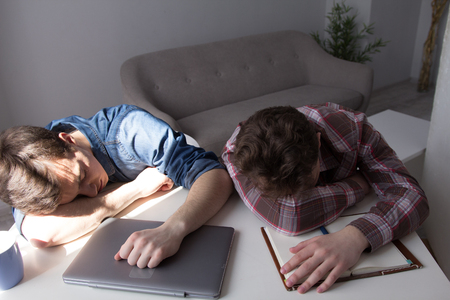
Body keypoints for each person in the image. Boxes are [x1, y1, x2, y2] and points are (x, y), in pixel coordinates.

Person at [221, 103, 429, 294]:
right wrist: (360, 184)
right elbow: (290, 216)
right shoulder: (239, 151)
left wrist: (356, 236)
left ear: (318, 142)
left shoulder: (354, 129)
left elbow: (412, 196)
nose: (292, 198)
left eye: (302, 186)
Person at [0, 104, 233, 269]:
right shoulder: (28, 170)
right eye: (73, 197)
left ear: (68, 140)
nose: (91, 191)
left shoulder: (132, 130)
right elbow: (40, 235)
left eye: (82, 175)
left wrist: (172, 230)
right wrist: (136, 189)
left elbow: (215, 175)